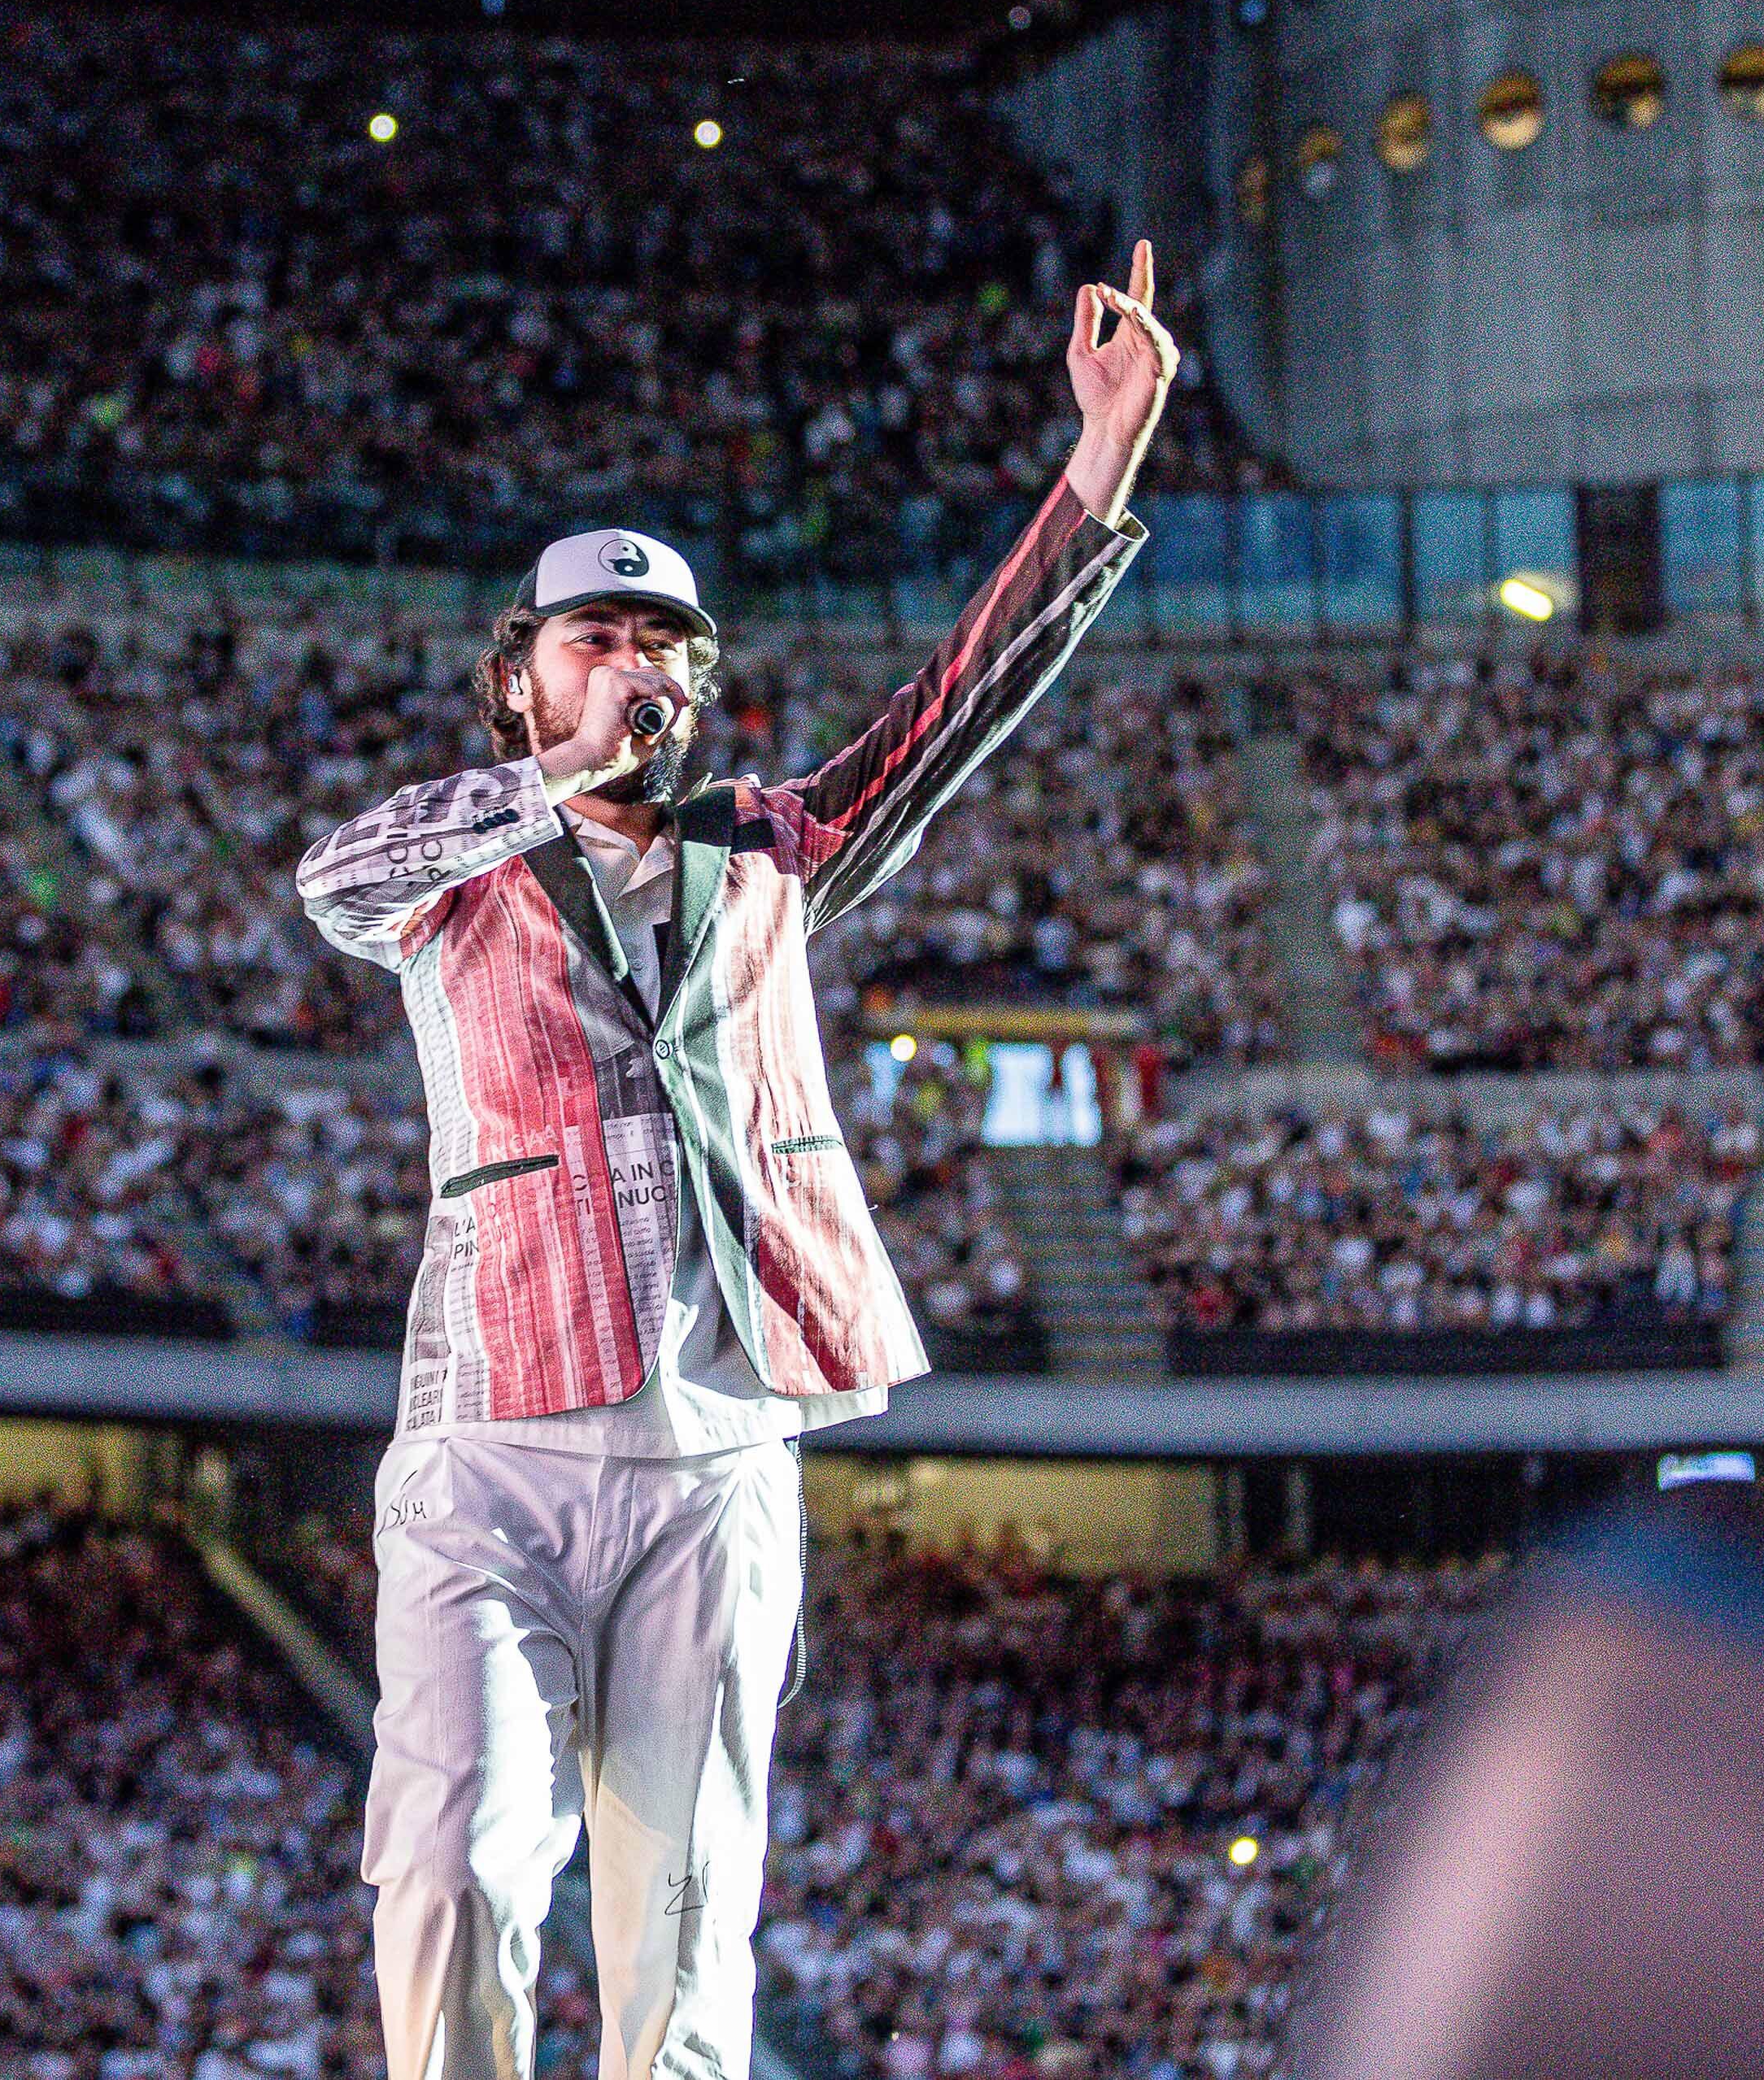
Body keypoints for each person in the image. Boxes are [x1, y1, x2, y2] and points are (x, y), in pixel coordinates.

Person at [295, 242, 1174, 2079]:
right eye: (595, 638)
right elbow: (328, 875)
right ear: (518, 682)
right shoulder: (455, 868)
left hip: (716, 1444)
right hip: (491, 1451)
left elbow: (959, 696)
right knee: (453, 1864)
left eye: (667, 643)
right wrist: (561, 783)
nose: (637, 665)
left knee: (687, 1931)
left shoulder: (772, 845)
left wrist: (1099, 469)